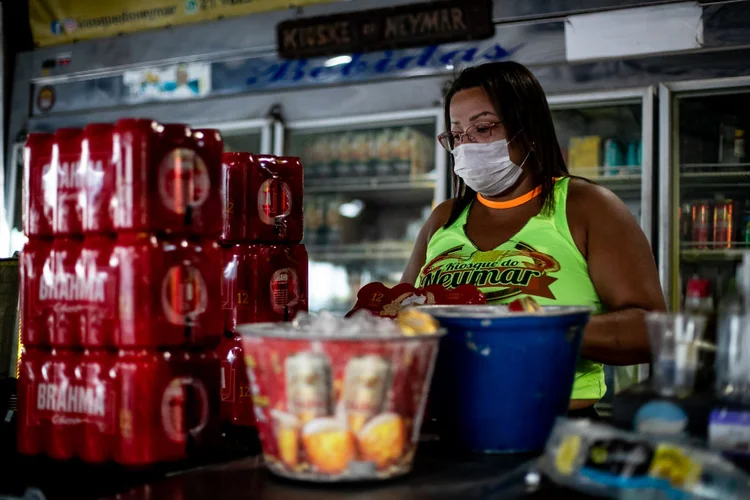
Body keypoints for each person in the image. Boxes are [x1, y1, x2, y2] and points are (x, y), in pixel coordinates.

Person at [401, 61, 666, 417]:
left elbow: (650, 331)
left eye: (482, 128)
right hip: (440, 427)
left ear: (527, 128)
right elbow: (399, 315)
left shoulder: (584, 206)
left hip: (549, 428)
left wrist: (534, 328)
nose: (467, 147)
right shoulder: (443, 219)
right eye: (457, 135)